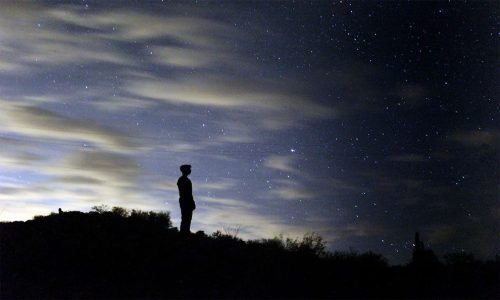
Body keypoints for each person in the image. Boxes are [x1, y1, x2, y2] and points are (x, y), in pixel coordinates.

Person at [177, 164, 196, 235]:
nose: (190, 171)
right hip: (185, 200)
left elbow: (189, 193)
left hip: (187, 200)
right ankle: (184, 232)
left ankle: (186, 230)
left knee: (188, 217)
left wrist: (192, 201)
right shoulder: (182, 180)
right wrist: (190, 201)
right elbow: (186, 193)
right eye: (189, 169)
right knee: (185, 216)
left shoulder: (186, 180)